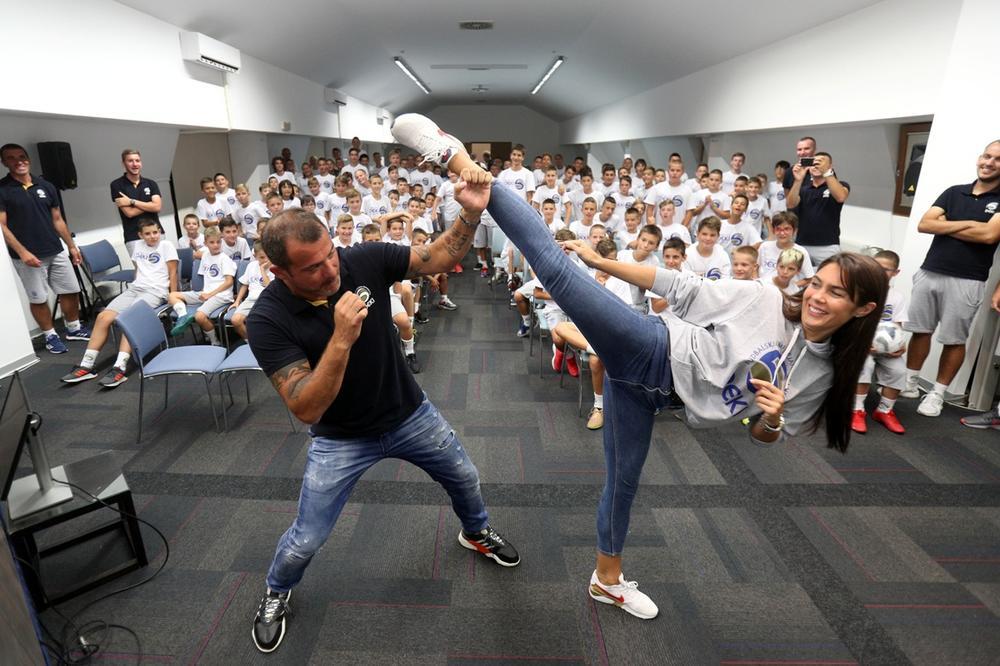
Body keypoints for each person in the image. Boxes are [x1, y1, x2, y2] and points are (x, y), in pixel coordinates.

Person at [391, 113, 885, 621]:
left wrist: (773, 418)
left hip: (653, 396)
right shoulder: (763, 298)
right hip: (650, 348)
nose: (818, 298)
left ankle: (606, 581)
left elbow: (765, 436)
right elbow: (678, 286)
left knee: (622, 485)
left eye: (836, 293)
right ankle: (460, 159)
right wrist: (601, 262)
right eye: (818, 285)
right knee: (557, 270)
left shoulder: (824, 376)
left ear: (864, 309)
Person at [246, 160, 518, 654]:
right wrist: (341, 338)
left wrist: (471, 215)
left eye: (330, 255)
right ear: (278, 271)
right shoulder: (267, 319)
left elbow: (435, 257)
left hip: (409, 415)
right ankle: (277, 590)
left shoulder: (362, 260)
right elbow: (305, 407)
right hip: (339, 438)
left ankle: (475, 533)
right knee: (306, 538)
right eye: (312, 267)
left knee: (467, 479)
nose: (330, 271)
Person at [902, 140, 1000, 417]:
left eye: (997, 159)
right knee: (920, 330)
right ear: (980, 158)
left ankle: (937, 394)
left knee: (954, 339)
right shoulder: (954, 192)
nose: (989, 162)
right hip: (930, 270)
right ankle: (909, 382)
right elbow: (925, 224)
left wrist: (946, 226)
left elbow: (990, 235)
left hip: (968, 280)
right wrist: (970, 224)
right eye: (987, 156)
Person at [61, 218, 177, 387]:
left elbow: (173, 273)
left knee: (129, 320)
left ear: (159, 232)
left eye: (155, 232)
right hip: (135, 289)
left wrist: (173, 296)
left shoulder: (167, 246)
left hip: (155, 291)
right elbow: (139, 271)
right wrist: (135, 288)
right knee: (103, 317)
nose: (152, 236)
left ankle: (119, 367)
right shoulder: (138, 246)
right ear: (140, 235)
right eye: (148, 234)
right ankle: (86, 365)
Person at [0, 143, 90, 353]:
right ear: (4, 162)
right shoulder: (3, 190)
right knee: (38, 298)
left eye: (22, 156)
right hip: (27, 256)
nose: (18, 161)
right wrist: (22, 252)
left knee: (71, 290)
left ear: (28, 159)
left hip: (55, 249)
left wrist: (71, 246)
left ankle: (73, 328)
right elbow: (2, 226)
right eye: (11, 158)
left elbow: (57, 220)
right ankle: (50, 335)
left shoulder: (46, 186)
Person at [853, 250, 908, 434]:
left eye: (886, 269)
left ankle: (884, 410)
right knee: (864, 365)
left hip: (884, 346)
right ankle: (857, 409)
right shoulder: (860, 290)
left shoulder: (897, 297)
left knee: (899, 369)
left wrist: (899, 344)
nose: (880, 272)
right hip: (859, 344)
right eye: (876, 267)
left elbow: (898, 326)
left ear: (895, 273)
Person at [167, 226, 235, 345]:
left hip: (220, 295)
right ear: (205, 243)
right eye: (212, 242)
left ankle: (215, 342)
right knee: (172, 295)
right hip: (205, 293)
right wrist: (202, 294)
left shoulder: (225, 259)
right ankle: (183, 316)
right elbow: (203, 276)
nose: (216, 245)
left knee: (199, 316)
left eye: (218, 242)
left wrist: (210, 294)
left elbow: (229, 282)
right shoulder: (205, 256)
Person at [787, 150, 849, 265]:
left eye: (820, 162)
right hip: (802, 243)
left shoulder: (840, 185)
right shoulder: (803, 189)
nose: (816, 165)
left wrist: (826, 172)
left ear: (830, 166)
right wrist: (798, 180)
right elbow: (791, 204)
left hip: (828, 245)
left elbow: (841, 197)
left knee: (829, 278)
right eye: (813, 162)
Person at [110, 148, 163, 255]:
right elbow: (129, 213)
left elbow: (157, 207)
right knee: (142, 271)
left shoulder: (151, 183)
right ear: (123, 163)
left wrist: (131, 201)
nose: (135, 164)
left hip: (155, 233)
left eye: (137, 160)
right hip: (133, 237)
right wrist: (149, 204)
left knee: (163, 268)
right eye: (130, 161)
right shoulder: (116, 185)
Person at [229, 241, 273, 340]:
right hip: (250, 300)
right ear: (255, 256)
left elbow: (269, 287)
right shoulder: (251, 266)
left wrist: (262, 270)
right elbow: (245, 284)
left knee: (259, 321)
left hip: (267, 300)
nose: (266, 260)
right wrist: (237, 300)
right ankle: (250, 343)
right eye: (261, 257)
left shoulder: (274, 267)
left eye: (268, 256)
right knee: (235, 320)